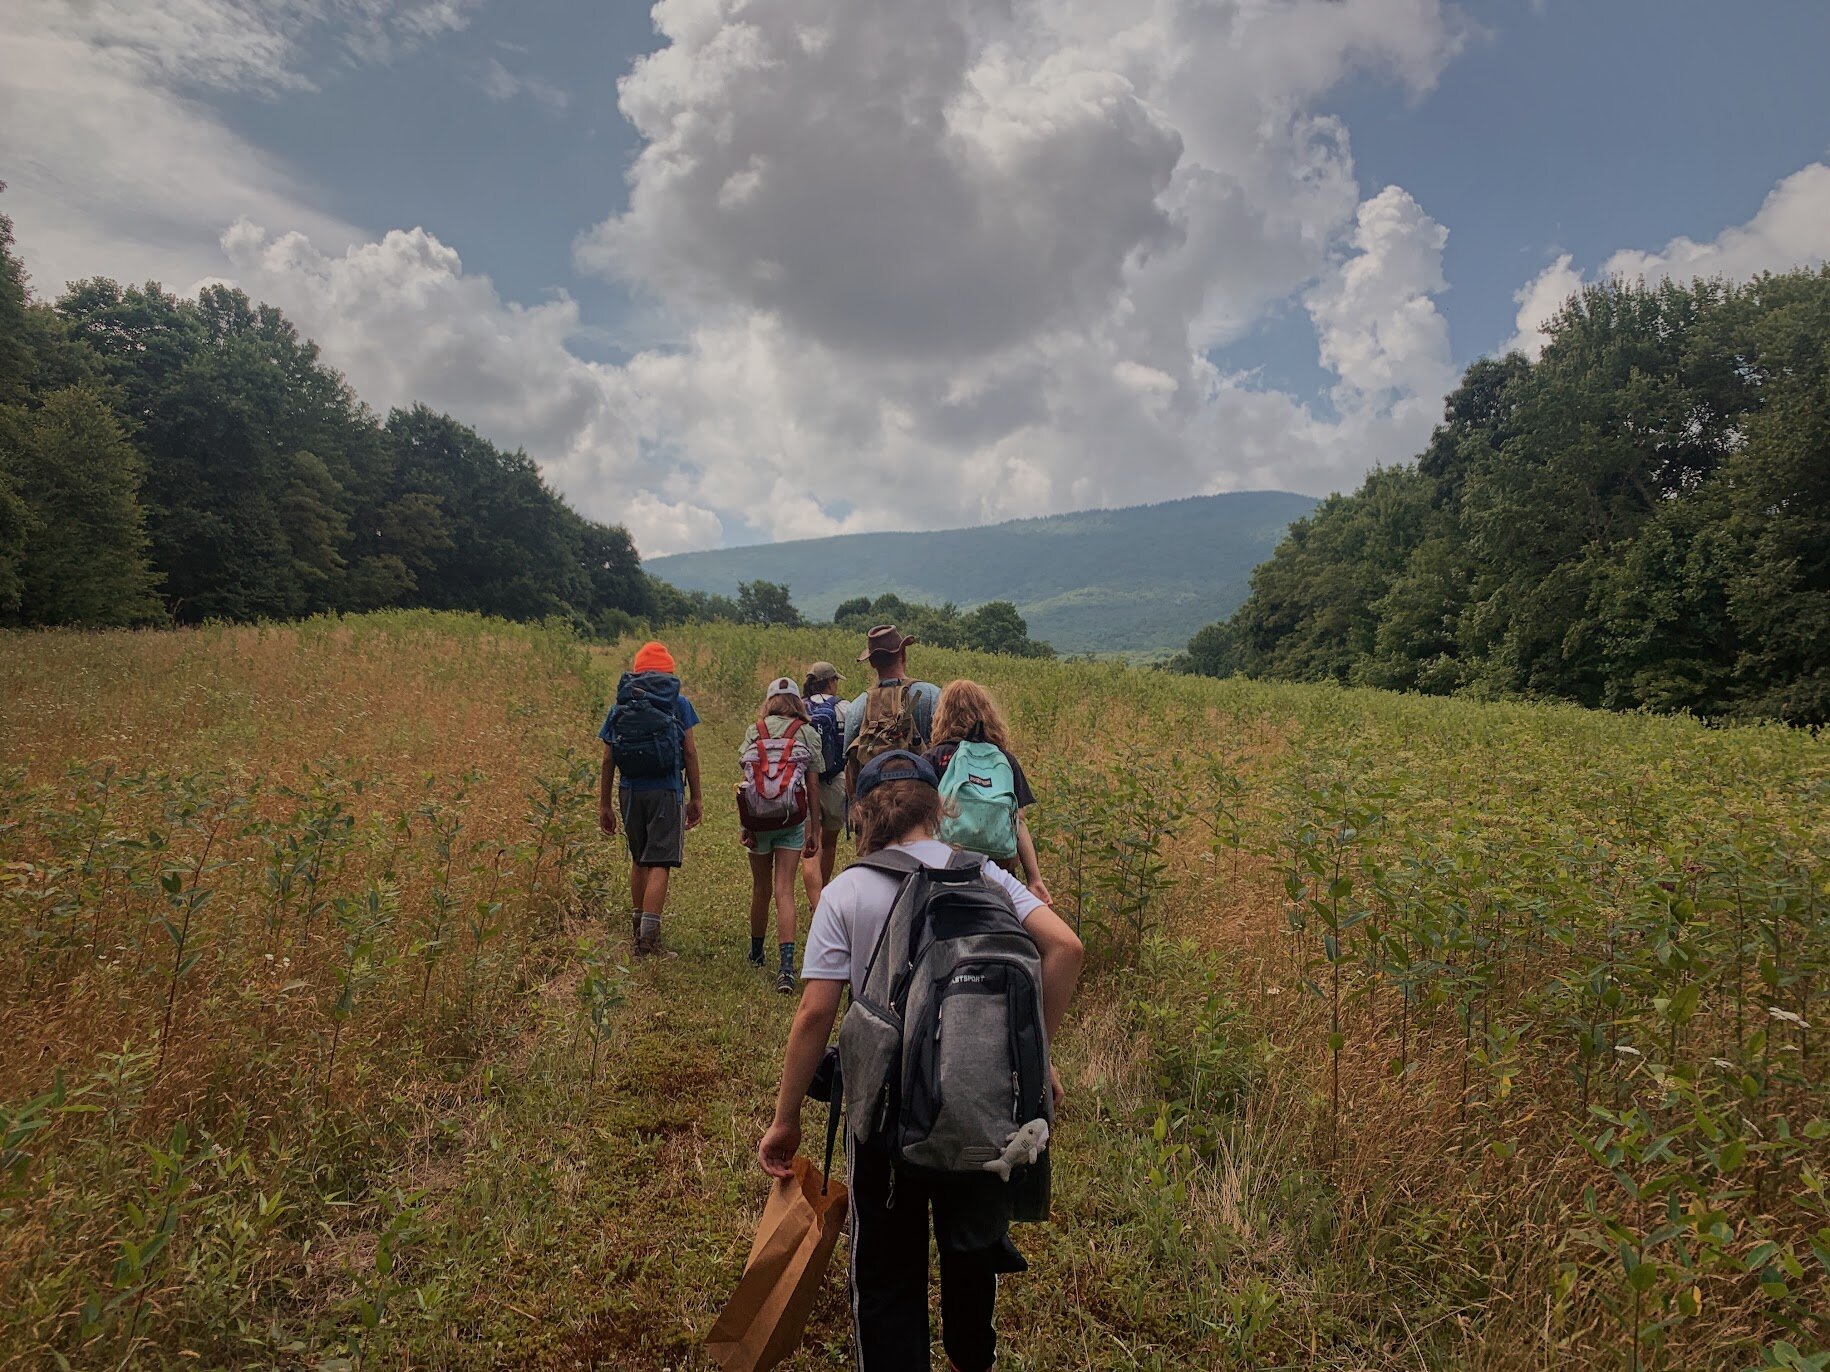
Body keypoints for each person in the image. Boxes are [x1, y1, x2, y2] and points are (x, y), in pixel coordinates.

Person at [759, 751, 1085, 1372]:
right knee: (970, 1255)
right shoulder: (986, 875)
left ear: (862, 816)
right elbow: (1066, 947)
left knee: (886, 1276)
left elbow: (815, 1015)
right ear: (938, 809)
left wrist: (786, 1117)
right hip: (980, 1103)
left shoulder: (846, 891)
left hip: (883, 1121)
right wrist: (1035, 1055)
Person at [597, 641, 702, 958]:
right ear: (668, 672)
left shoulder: (619, 707)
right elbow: (690, 751)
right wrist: (696, 797)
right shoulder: (677, 703)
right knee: (660, 861)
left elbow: (607, 758)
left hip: (630, 790)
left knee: (640, 858)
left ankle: (636, 933)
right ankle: (649, 943)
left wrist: (603, 804)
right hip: (666, 789)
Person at [925, 679, 1052, 904]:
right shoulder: (1004, 759)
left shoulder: (934, 758)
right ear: (987, 713)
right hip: (998, 874)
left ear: (942, 715)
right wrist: (1035, 880)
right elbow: (1019, 821)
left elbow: (921, 822)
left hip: (945, 872)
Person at [737, 677, 822, 993]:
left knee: (761, 889)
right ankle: (786, 969)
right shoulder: (806, 733)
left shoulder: (754, 731)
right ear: (798, 702)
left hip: (758, 820)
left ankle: (757, 953)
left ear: (770, 700)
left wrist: (745, 825)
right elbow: (813, 785)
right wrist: (814, 827)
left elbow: (747, 780)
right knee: (784, 889)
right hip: (791, 818)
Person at [841, 624, 941, 804]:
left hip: (876, 805)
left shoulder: (856, 707)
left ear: (871, 662)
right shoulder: (932, 695)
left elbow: (849, 762)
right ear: (903, 654)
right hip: (921, 801)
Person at [800, 661, 849, 908]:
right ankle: (822, 899)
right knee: (829, 843)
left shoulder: (798, 707)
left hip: (805, 783)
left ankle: (816, 902)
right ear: (830, 682)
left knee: (810, 845)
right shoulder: (844, 707)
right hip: (835, 781)